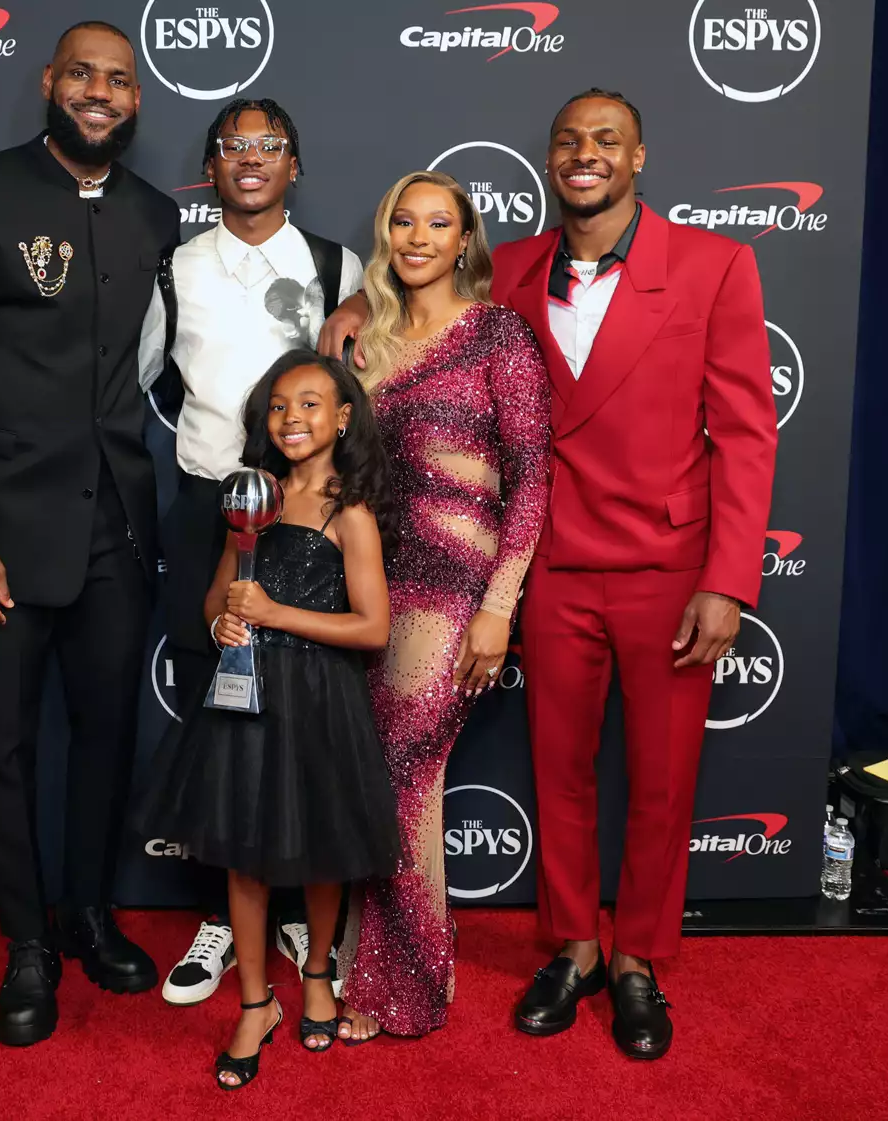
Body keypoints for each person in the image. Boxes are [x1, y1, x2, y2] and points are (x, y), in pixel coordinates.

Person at [320, 91, 777, 1058]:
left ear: (639, 155)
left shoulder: (714, 263)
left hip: (668, 565)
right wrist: (361, 300)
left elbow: (744, 431)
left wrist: (730, 578)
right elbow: (424, 290)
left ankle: (638, 962)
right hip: (552, 568)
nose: (585, 155)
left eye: (606, 140)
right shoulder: (513, 268)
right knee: (560, 773)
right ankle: (572, 947)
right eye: (569, 140)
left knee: (660, 780)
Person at [0, 21, 179, 1046]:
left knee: (106, 737)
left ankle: (90, 912)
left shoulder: (156, 214)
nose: (101, 92)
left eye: (120, 79)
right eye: (84, 75)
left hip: (116, 524)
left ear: (135, 101)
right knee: (6, 745)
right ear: (50, 83)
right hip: (3, 533)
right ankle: (26, 945)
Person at [137, 99, 364, 1006]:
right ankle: (225, 923)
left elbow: (360, 372)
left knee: (305, 711)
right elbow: (141, 379)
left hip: (305, 513)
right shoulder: (176, 267)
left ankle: (300, 918)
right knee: (215, 710)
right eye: (234, 147)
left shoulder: (333, 264)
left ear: (295, 164)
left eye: (270, 146)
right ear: (211, 165)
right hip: (209, 506)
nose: (252, 159)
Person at [132, 350, 402, 1089]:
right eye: (279, 406)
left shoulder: (350, 511)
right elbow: (216, 600)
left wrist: (279, 614)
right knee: (243, 856)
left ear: (343, 418)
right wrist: (223, 622)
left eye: (312, 404)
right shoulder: (252, 499)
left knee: (322, 847)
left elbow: (374, 627)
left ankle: (317, 973)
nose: (293, 419)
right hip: (245, 700)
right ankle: (255, 1002)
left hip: (320, 700)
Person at [333, 172, 551, 1043]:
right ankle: (382, 966)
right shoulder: (367, 343)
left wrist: (501, 604)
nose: (418, 238)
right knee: (380, 778)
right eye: (402, 223)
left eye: (438, 224)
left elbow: (533, 475)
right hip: (374, 591)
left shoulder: (498, 331)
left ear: (465, 240)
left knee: (403, 775)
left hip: (458, 593)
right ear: (386, 235)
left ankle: (406, 987)